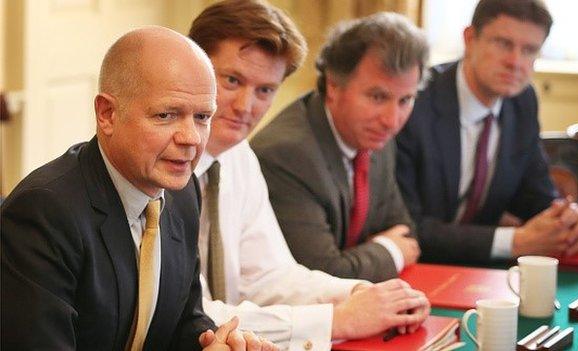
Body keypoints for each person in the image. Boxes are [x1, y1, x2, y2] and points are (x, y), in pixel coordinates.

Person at [1, 26, 276, 351]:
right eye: (166, 115)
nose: (191, 138)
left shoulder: (182, 193)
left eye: (202, 117)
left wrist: (217, 342)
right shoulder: (43, 212)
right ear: (107, 114)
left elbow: (183, 320)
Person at [188, 1, 430, 350]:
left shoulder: (239, 156)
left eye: (265, 90)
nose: (246, 106)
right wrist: (338, 318)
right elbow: (191, 314)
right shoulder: (163, 161)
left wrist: (357, 292)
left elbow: (269, 276)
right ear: (193, 68)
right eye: (232, 80)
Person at [395, 0, 578, 264]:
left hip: (483, 273)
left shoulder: (522, 101)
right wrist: (515, 241)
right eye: (503, 44)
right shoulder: (413, 103)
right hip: (417, 269)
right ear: (470, 39)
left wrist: (571, 221)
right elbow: (409, 228)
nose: (515, 62)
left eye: (529, 50)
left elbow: (535, 196)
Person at [251, 12, 428, 283]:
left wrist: (365, 254)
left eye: (405, 100)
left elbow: (406, 234)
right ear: (333, 86)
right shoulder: (287, 154)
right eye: (378, 97)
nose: (392, 121)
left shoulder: (374, 136)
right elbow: (322, 274)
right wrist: (389, 250)